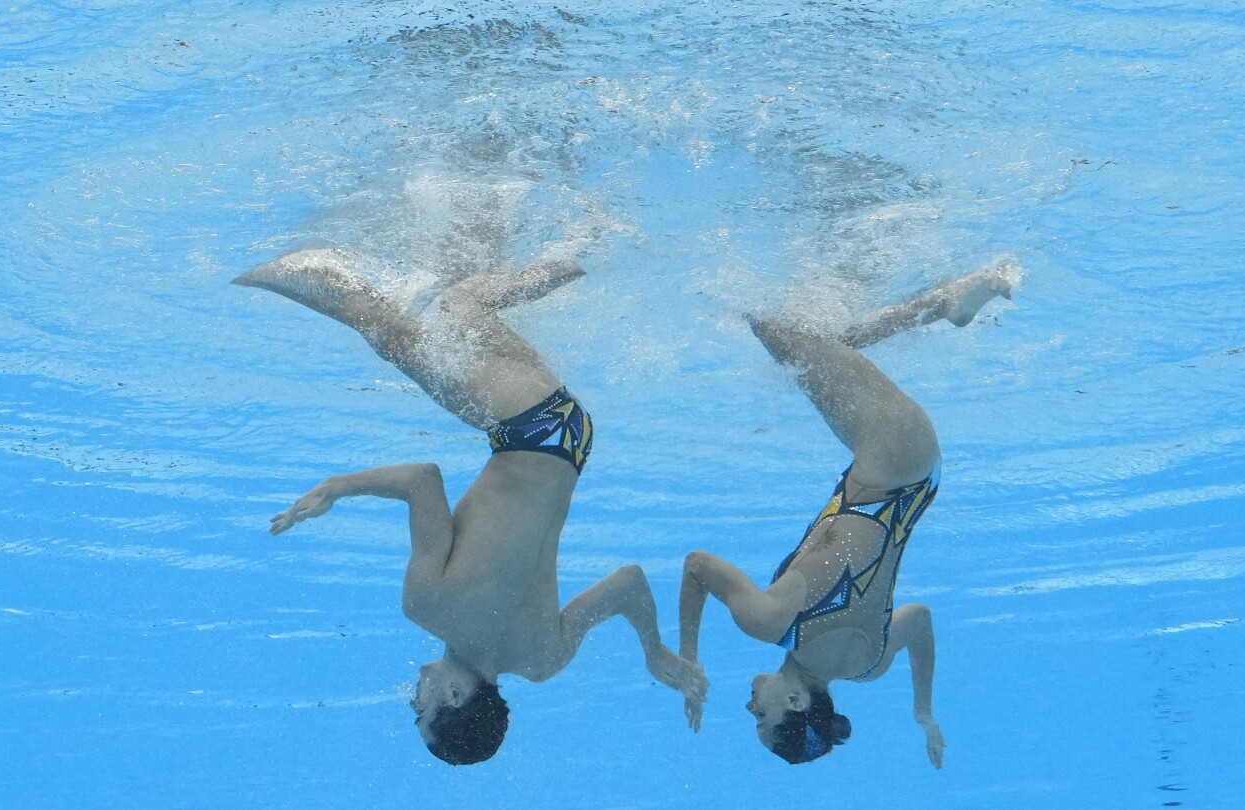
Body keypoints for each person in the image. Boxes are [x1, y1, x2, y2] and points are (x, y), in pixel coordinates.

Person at [235, 244, 706, 766]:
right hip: (522, 423)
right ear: (455, 699)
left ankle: (585, 252)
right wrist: (335, 488)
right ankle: (251, 267)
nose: (413, 701)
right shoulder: (428, 607)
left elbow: (630, 583)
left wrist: (653, 650)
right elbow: (421, 480)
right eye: (421, 712)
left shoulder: (544, 660)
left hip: (570, 437)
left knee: (460, 317)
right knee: (416, 324)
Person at [676, 263, 1021, 766]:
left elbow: (920, 623)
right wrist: (688, 659)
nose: (751, 705)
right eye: (760, 717)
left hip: (919, 477)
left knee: (816, 347)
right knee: (768, 323)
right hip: (889, 452)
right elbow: (696, 565)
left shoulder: (870, 666)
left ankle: (943, 305)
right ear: (795, 703)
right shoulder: (769, 621)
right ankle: (948, 304)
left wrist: (923, 711)